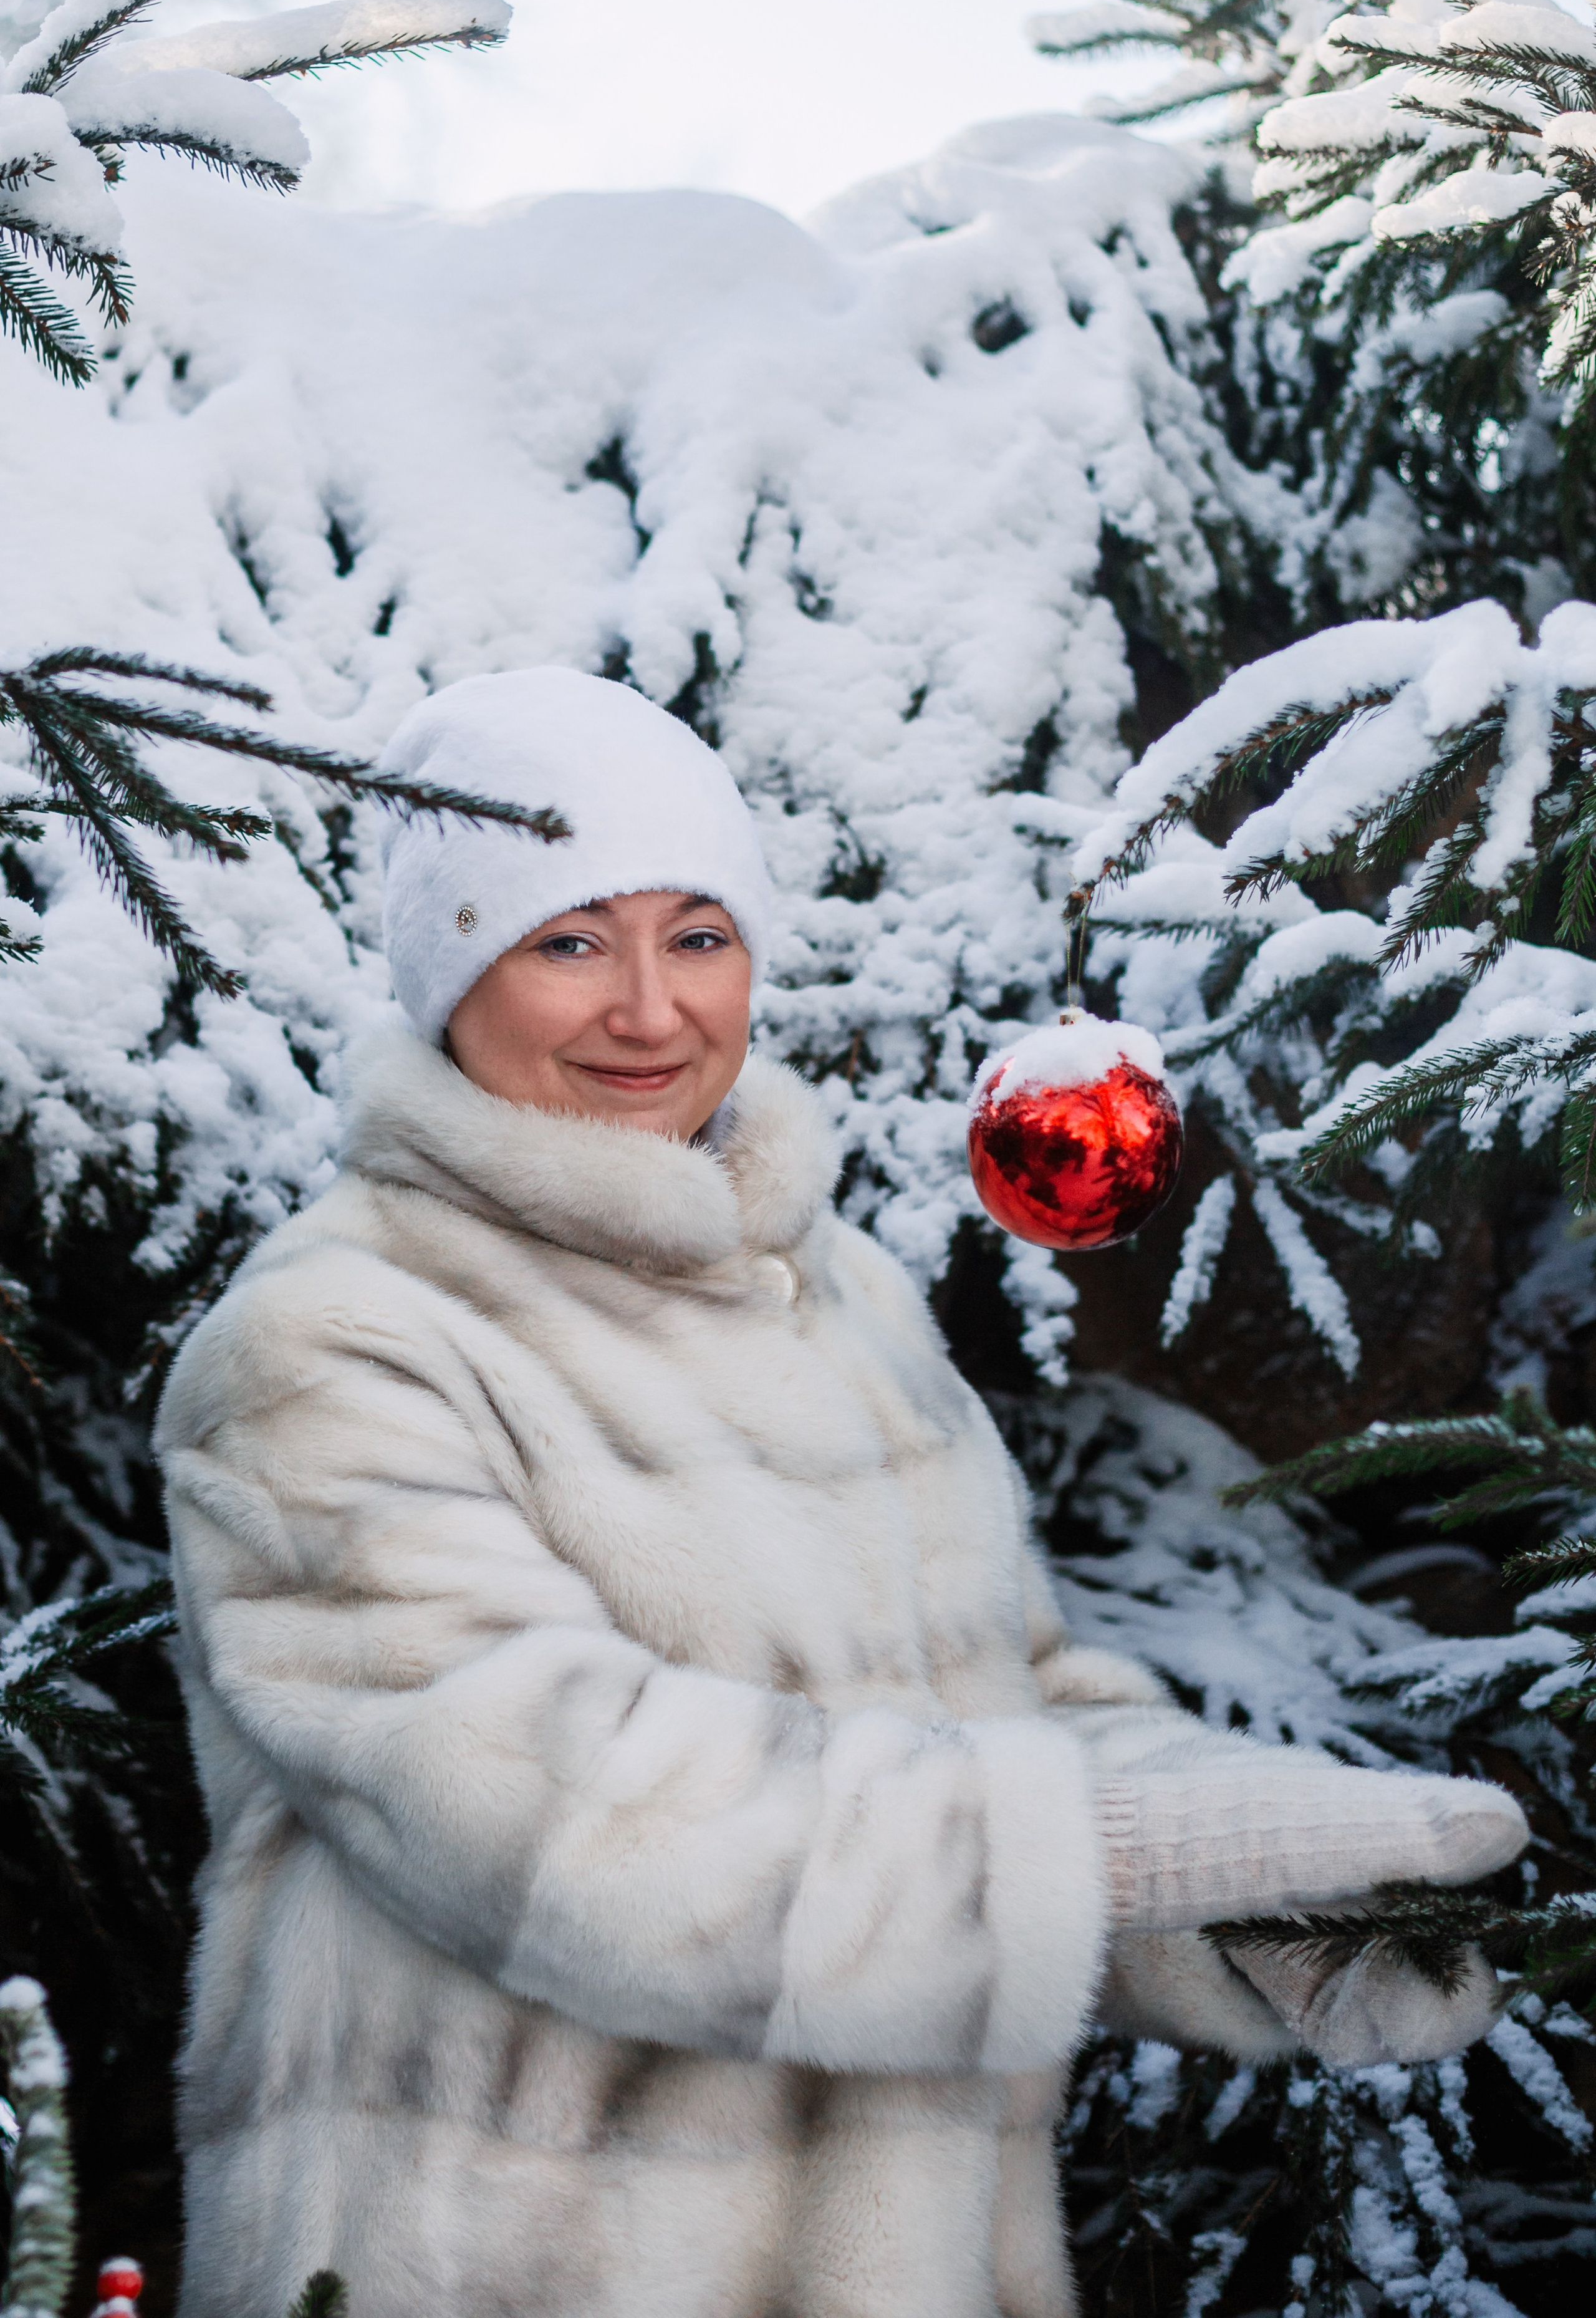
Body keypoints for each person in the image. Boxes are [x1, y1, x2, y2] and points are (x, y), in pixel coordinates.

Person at [158, 668, 1526, 2318]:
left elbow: (1009, 1704)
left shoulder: (839, 1294)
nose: (652, 1012)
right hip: (519, 2265)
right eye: (569, 942)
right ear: (450, 977)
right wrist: (1123, 1848)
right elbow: (567, 1820)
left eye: (700, 936)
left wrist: (1267, 1916)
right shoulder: (331, 1341)